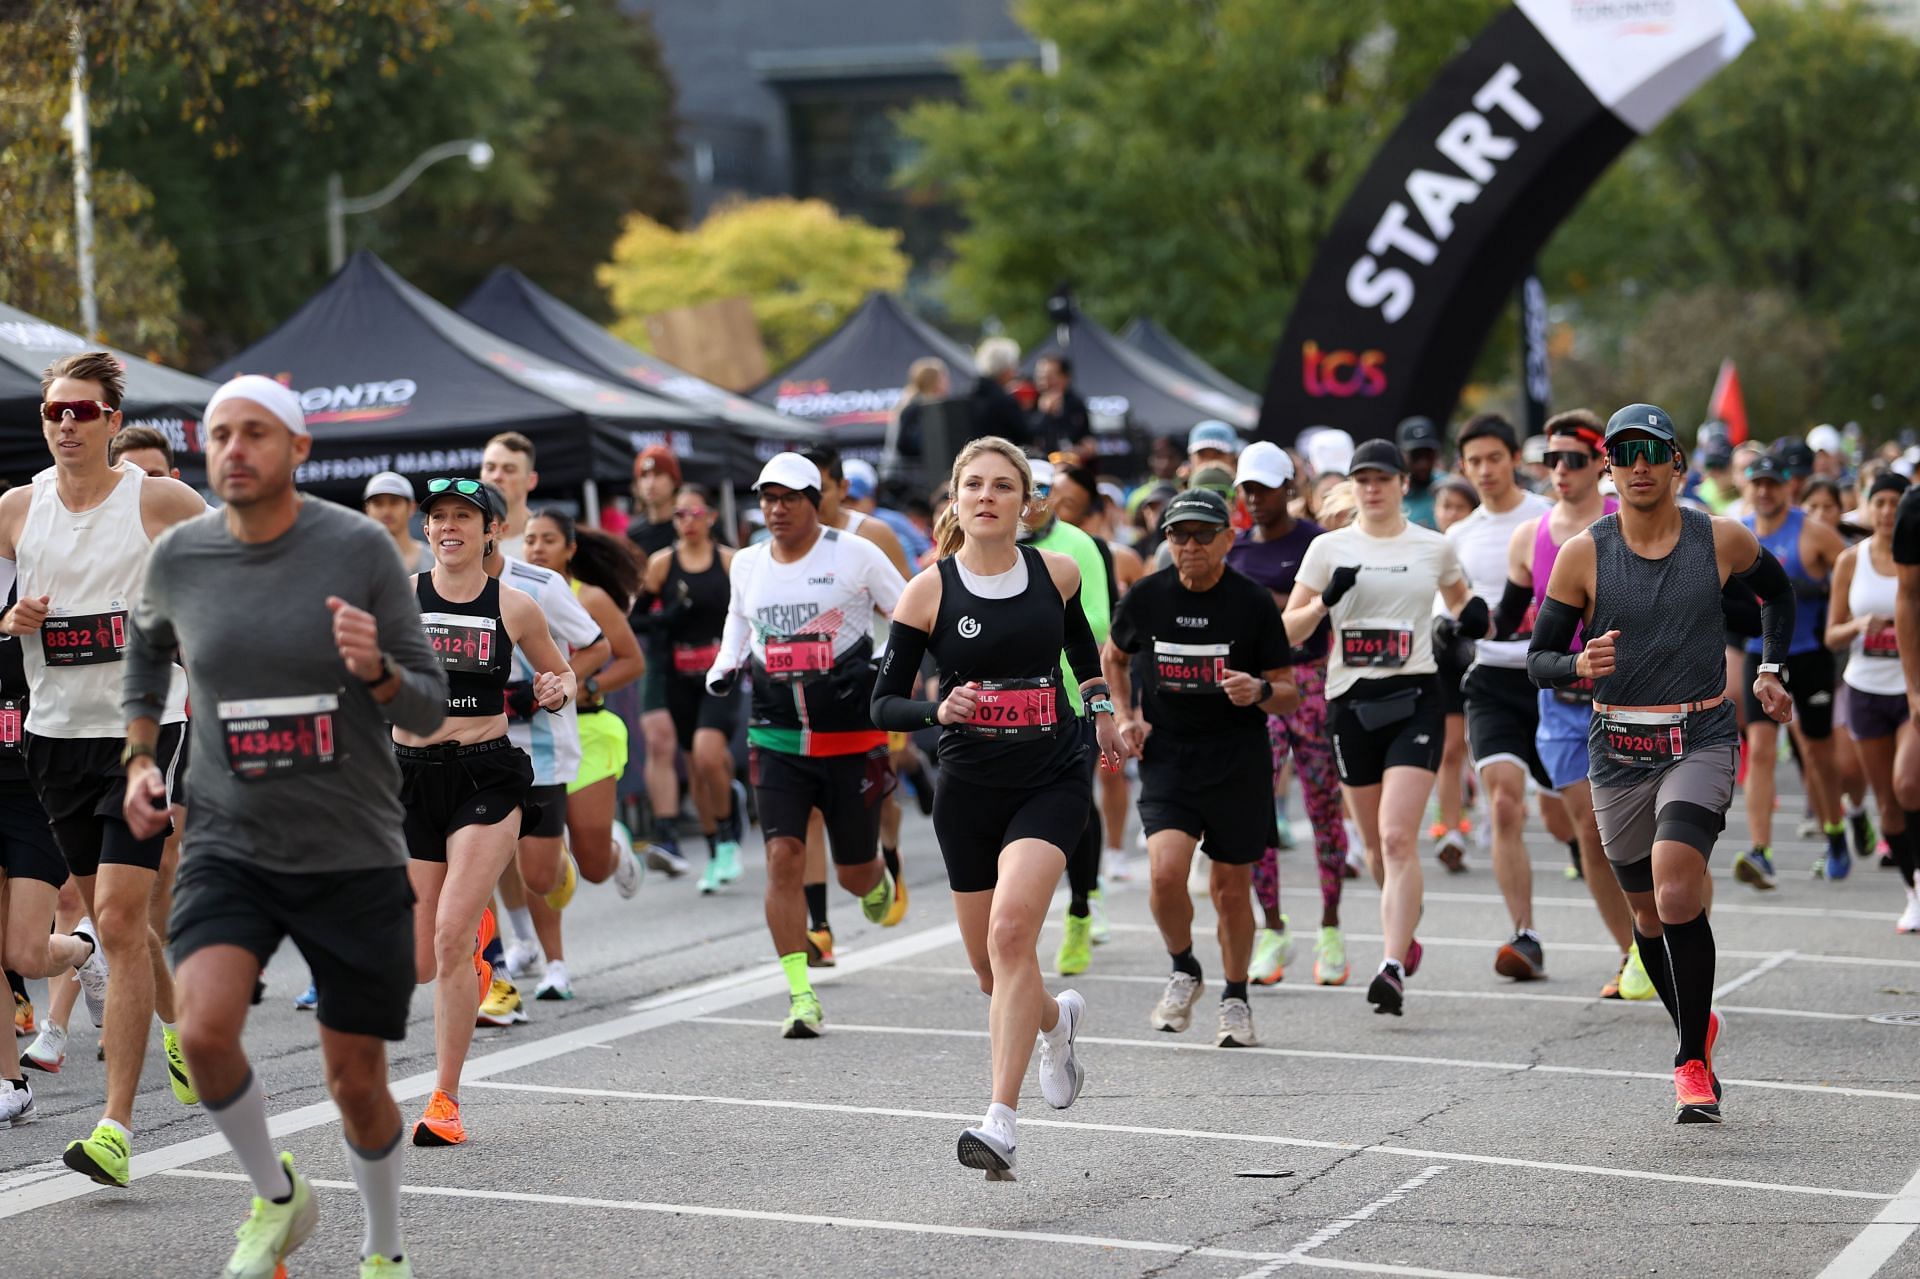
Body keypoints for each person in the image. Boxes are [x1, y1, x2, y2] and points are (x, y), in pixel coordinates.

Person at [122, 374, 446, 1278]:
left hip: (349, 845)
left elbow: (425, 706)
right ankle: (277, 1195)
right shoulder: (181, 555)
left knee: (357, 1083)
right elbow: (146, 651)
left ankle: (383, 1250)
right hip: (231, 837)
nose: (235, 449)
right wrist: (142, 756)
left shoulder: (358, 550)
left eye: (255, 432)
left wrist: (377, 670)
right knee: (205, 1029)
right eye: (221, 433)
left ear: (299, 449)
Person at [1528, 402, 1794, 1123]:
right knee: (1645, 912)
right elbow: (1539, 660)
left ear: (1677, 461)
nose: (1638, 464)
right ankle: (1697, 1028)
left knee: (1678, 890)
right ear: (1609, 469)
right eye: (1623, 453)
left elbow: (1777, 592)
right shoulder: (1586, 552)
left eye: (1652, 450)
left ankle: (1689, 1063)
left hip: (1700, 734)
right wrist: (1578, 662)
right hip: (1617, 747)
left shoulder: (1720, 538)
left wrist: (1771, 667)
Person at [872, 435, 1120, 1179]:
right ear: (955, 499)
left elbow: (1082, 653)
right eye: (973, 484)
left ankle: (1000, 1122)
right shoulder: (929, 591)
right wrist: (935, 708)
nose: (986, 496)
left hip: (1052, 774)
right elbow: (881, 699)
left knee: (1014, 933)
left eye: (1001, 486)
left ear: (1025, 501)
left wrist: (1102, 708)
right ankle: (1056, 1018)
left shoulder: (1060, 572)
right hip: (968, 788)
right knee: (992, 970)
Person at [0, 350, 205, 1184]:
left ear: (114, 423)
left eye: (83, 412)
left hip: (143, 732)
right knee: (126, 925)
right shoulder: (18, 508)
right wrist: (6, 617)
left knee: (116, 920)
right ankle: (179, 1024)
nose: (66, 425)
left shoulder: (159, 499)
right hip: (52, 738)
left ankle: (115, 1129)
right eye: (54, 413)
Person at [399, 477, 572, 1147]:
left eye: (464, 517)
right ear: (427, 530)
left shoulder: (516, 605)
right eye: (438, 516)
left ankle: (445, 1099)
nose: (449, 526)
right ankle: (473, 941)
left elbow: (561, 678)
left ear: (490, 531)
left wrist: (556, 689)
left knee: (448, 933)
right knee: (421, 959)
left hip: (486, 775)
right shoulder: (400, 600)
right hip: (410, 778)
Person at [705, 453, 903, 1039]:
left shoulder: (855, 553)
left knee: (853, 875)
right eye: (767, 498)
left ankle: (876, 880)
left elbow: (911, 614)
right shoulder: (747, 563)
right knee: (782, 858)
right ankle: (799, 994)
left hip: (852, 736)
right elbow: (738, 624)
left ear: (816, 500)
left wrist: (885, 672)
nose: (776, 508)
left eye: (789, 497)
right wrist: (723, 668)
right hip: (777, 734)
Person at [1284, 440, 1481, 1016]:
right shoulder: (1327, 549)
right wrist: (1324, 602)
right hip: (1349, 706)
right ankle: (1406, 933)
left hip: (1415, 697)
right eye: (1362, 479)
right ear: (1354, 486)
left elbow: (1464, 603)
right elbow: (1287, 632)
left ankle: (1391, 967)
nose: (1372, 488)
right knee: (1373, 847)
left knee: (1399, 838)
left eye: (1382, 478)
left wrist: (1469, 620)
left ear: (1400, 484)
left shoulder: (1433, 546)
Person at [1105, 486, 1296, 1047]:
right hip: (1170, 756)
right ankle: (1184, 966)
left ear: (1227, 541)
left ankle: (1236, 997)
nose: (1189, 546)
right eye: (1178, 535)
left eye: (1201, 535)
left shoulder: (1253, 602)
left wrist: (1258, 689)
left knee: (1231, 889)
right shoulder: (1146, 597)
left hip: (1238, 758)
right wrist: (1124, 713)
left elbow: (1287, 692)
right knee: (1165, 874)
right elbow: (1113, 656)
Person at [1497, 410, 1645, 999]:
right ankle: (1632, 953)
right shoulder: (1530, 534)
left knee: (1653, 835)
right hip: (1562, 705)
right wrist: (1457, 625)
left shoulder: (1628, 518)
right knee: (1593, 832)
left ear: (1600, 463)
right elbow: (1505, 618)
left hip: (1635, 698)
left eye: (1573, 459)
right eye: (1550, 460)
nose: (1559, 470)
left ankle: (1675, 933)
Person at [1226, 442, 1352, 986]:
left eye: (1263, 487)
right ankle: (1273, 930)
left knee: (1324, 808)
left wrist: (1280, 609)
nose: (1254, 497)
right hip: (1256, 689)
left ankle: (1330, 927)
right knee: (1254, 808)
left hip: (1315, 681)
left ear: (1289, 489)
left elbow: (1331, 612)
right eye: (1246, 488)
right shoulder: (1234, 551)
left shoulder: (1317, 543)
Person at [520, 510, 649, 1000]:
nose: (536, 549)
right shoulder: (514, 595)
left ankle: (613, 849)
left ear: (570, 548)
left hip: (590, 731)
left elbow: (632, 659)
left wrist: (587, 685)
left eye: (547, 540)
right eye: (529, 540)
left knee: (592, 867)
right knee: (537, 861)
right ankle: (555, 965)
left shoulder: (589, 597)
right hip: (534, 734)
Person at [1446, 415, 1554, 979]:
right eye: (1474, 461)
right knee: (1504, 804)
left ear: (1515, 457)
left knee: (1573, 821)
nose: (1485, 470)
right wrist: (1447, 629)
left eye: (1494, 457)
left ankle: (1632, 930)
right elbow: (1448, 608)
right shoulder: (1459, 537)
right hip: (1490, 682)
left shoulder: (1547, 519)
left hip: (1557, 682)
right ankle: (1524, 934)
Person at [1731, 453, 1849, 887]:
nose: (1764, 492)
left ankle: (1836, 831)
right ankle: (1760, 852)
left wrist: (1834, 607)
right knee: (1759, 749)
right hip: (1760, 655)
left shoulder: (1812, 532)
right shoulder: (1736, 534)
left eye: (1772, 483)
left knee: (1816, 754)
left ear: (1788, 487)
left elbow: (1853, 569)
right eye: (1756, 483)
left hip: (1808, 655)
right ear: (1747, 487)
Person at [1021, 459, 1116, 976]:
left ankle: (1080, 908)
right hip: (1008, 704)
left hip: (1071, 699)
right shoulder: (991, 546)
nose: (1032, 501)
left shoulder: (1079, 546)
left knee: (1077, 807)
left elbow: (1098, 620)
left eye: (1040, 491)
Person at [639, 485, 744, 893]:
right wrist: (666, 619)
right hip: (679, 675)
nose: (687, 522)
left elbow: (752, 612)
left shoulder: (731, 561)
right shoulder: (662, 565)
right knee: (696, 768)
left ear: (712, 517)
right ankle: (716, 847)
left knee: (707, 752)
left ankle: (729, 839)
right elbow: (636, 620)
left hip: (720, 671)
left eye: (695, 513)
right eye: (680, 515)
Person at [1827, 471, 1916, 929]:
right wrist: (1861, 627)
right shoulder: (1850, 561)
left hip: (1910, 689)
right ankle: (1912, 890)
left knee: (1909, 783)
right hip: (1864, 688)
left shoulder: (1915, 558)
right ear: (1867, 506)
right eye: (1877, 502)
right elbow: (1831, 632)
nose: (1885, 512)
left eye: (1894, 502)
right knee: (1888, 802)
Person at [1429, 476, 1481, 868]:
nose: (1449, 514)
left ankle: (1491, 819)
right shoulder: (1427, 550)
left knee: (1478, 749)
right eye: (1444, 506)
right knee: (1449, 751)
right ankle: (1450, 829)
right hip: (1442, 659)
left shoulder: (1481, 550)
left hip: (1484, 657)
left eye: (1458, 507)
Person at [885, 356, 949, 479]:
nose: (947, 383)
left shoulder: (912, 404)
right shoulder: (916, 408)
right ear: (933, 381)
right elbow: (904, 444)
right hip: (910, 477)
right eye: (943, 378)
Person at [479, 432, 539, 557]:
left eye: (509, 469)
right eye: (490, 468)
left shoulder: (545, 543)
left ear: (531, 480)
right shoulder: (465, 539)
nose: (497, 477)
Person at [362, 472, 433, 572]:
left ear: (411, 507)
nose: (386, 511)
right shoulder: (355, 562)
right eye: (378, 503)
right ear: (367, 509)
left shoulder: (435, 560)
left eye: (394, 502)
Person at [970, 338, 1031, 447]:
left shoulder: (970, 395)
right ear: (1006, 368)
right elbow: (1025, 436)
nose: (1015, 372)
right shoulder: (1005, 401)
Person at [626, 446, 681, 559]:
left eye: (658, 474)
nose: (650, 484)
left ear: (674, 481)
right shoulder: (634, 532)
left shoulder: (689, 525)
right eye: (644, 476)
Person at [1032, 354, 1091, 454]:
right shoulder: (1029, 401)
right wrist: (1044, 414)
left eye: (1050, 377)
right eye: (1041, 377)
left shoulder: (1075, 403)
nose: (1045, 383)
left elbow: (1085, 435)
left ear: (1066, 378)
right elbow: (1027, 435)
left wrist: (1086, 447)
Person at [1396, 417, 1447, 529]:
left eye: (1428, 455)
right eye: (1416, 455)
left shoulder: (1449, 487)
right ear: (1401, 455)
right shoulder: (1391, 493)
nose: (1423, 463)